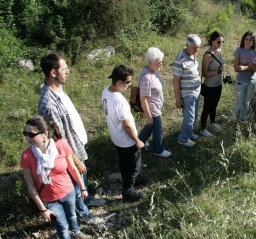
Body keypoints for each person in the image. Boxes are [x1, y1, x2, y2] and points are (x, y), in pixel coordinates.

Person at [38, 54, 105, 225]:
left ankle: (86, 200)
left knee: (81, 179)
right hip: (69, 152)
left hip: (76, 145)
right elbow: (59, 139)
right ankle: (83, 215)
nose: (68, 71)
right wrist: (75, 161)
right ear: (53, 72)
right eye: (64, 68)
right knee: (75, 184)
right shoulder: (48, 104)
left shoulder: (58, 90)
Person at [20, 115, 92, 239]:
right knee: (61, 226)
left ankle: (77, 232)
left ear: (45, 133)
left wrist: (83, 188)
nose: (28, 137)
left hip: (68, 192)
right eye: (25, 133)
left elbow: (72, 168)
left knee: (72, 216)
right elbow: (31, 185)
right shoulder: (27, 156)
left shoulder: (61, 145)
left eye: (31, 134)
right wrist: (42, 209)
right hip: (49, 200)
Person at [101, 65, 144, 201]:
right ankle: (128, 189)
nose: (129, 85)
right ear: (119, 82)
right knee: (134, 164)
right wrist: (137, 140)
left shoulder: (105, 91)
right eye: (128, 82)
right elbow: (126, 125)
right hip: (127, 140)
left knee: (124, 162)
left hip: (116, 137)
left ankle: (131, 180)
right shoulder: (119, 101)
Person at [138, 47, 171, 158]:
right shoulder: (146, 77)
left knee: (150, 127)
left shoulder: (153, 71)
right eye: (158, 62)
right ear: (149, 62)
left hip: (157, 105)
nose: (161, 64)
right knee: (158, 130)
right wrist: (149, 116)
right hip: (152, 108)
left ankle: (139, 143)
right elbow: (143, 99)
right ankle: (158, 149)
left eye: (161, 61)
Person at [172, 34, 202, 147]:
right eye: (194, 47)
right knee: (189, 119)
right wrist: (178, 99)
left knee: (194, 115)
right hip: (187, 94)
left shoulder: (194, 54)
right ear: (187, 45)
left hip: (196, 92)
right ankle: (183, 139)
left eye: (198, 47)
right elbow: (175, 81)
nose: (196, 49)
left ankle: (189, 133)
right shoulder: (180, 59)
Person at [199, 31, 225, 136]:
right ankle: (203, 128)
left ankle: (212, 123)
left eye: (222, 41)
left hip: (218, 84)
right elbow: (204, 73)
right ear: (212, 41)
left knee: (214, 105)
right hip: (209, 86)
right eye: (218, 42)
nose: (221, 44)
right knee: (207, 107)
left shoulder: (219, 50)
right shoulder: (208, 55)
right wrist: (218, 71)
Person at [233, 31, 256, 121]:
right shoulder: (239, 50)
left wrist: (244, 67)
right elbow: (236, 68)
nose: (248, 41)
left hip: (252, 81)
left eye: (251, 40)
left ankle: (242, 119)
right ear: (243, 40)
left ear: (254, 41)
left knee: (246, 102)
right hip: (241, 81)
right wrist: (250, 66)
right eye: (246, 39)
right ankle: (234, 119)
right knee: (238, 102)